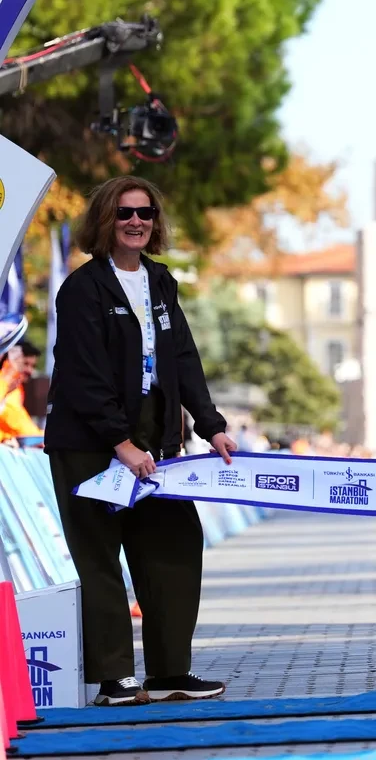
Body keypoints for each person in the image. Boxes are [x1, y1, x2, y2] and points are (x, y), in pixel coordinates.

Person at [44, 176, 236, 706]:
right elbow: (84, 376)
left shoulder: (160, 281)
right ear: (106, 220)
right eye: (125, 213)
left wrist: (211, 423)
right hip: (88, 441)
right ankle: (115, 679)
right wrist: (120, 443)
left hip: (154, 438)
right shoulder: (82, 289)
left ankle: (171, 671)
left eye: (145, 213)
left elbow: (182, 359)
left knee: (174, 546)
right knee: (101, 558)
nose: (136, 221)